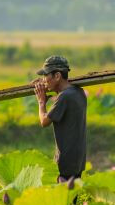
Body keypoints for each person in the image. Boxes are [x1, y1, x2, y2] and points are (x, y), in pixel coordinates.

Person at [32, 55, 87, 183]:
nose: (44, 80)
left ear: (57, 76)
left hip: (65, 161)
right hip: (78, 159)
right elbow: (62, 100)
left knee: (65, 200)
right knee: (74, 200)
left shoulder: (64, 97)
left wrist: (41, 102)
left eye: (46, 76)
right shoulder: (78, 92)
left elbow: (44, 121)